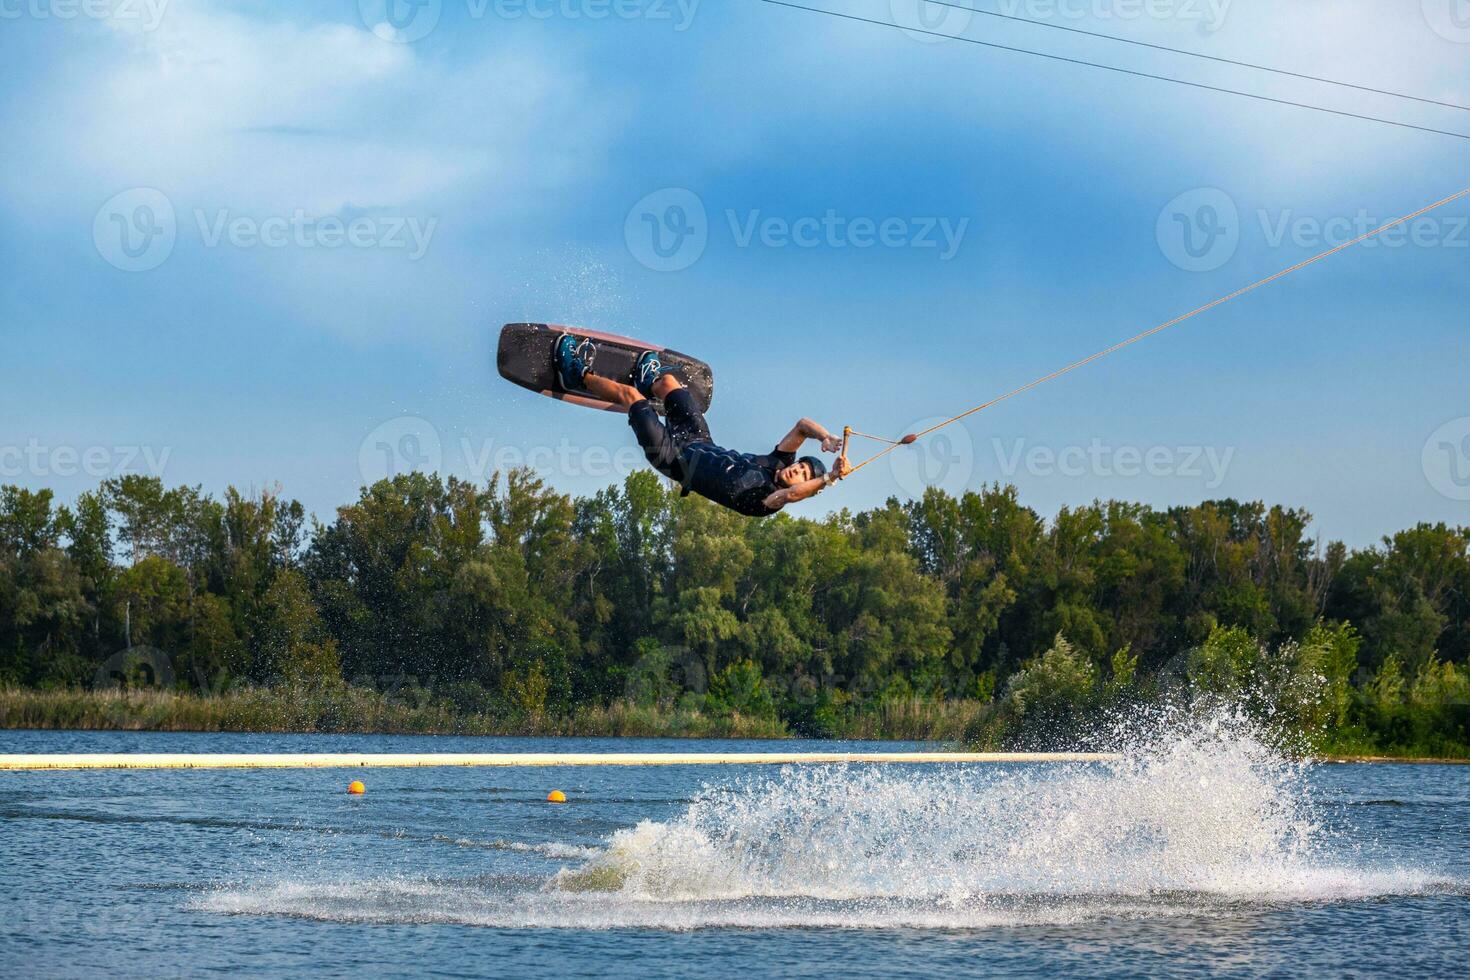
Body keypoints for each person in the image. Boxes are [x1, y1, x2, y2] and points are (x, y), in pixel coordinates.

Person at [554, 334, 851, 517]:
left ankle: (575, 373)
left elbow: (790, 495)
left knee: (630, 397)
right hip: (698, 440)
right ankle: (650, 380)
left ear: (804, 487)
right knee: (669, 383)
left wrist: (829, 479)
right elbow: (801, 426)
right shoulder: (780, 460)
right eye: (801, 467)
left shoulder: (767, 502)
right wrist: (824, 436)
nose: (796, 471)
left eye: (802, 476)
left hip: (672, 459)